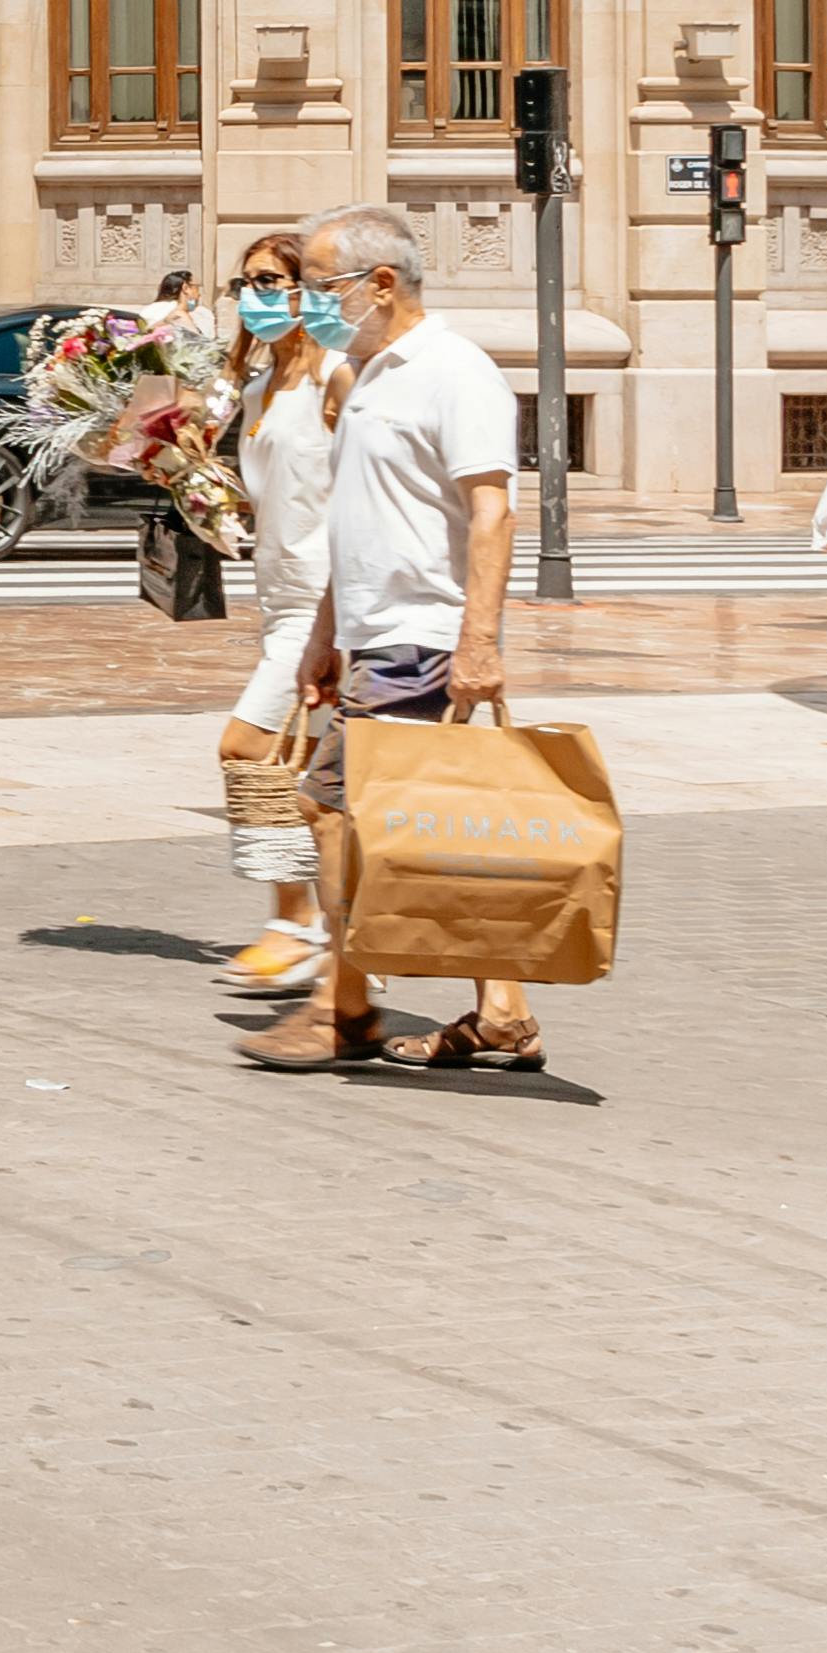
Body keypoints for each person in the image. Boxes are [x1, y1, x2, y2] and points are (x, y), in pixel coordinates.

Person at [252, 202, 538, 1077]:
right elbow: (358, 521)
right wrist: (324, 637)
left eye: (320, 287)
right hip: (376, 637)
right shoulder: (367, 374)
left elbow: (493, 510)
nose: (309, 305)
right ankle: (503, 1011)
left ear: (382, 284)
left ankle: (344, 1006)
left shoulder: (454, 371)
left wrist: (478, 643)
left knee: (332, 810)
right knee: (420, 827)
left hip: (424, 636)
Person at [210, 229, 351, 993]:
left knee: (244, 748)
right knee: (317, 780)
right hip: (277, 600)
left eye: (271, 281)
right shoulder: (259, 386)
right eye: (247, 284)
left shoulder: (336, 376)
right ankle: (339, 936)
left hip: (328, 607)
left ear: (308, 291)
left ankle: (293, 923)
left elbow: (360, 492)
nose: (256, 296)